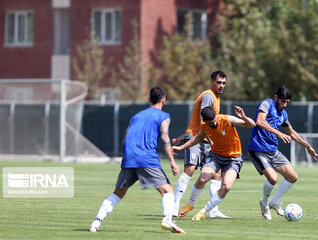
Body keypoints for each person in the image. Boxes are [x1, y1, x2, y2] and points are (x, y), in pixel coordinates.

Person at [89, 87, 185, 233]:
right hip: (146, 158)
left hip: (130, 158)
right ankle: (167, 220)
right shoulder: (164, 116)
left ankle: (96, 222)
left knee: (118, 193)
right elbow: (165, 138)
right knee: (167, 191)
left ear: (149, 99)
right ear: (164, 100)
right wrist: (172, 161)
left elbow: (124, 140)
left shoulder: (137, 116)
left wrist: (126, 159)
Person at [247, 86, 318, 220]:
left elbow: (292, 133)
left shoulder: (283, 114)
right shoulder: (267, 103)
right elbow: (260, 121)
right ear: (276, 98)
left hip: (273, 151)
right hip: (257, 149)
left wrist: (307, 146)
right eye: (282, 101)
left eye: (287, 102)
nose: (284, 105)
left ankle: (274, 202)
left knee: (292, 177)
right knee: (273, 179)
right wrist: (279, 133)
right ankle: (264, 204)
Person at [172, 106, 255, 221]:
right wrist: (181, 147)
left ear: (216, 115)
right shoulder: (204, 126)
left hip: (234, 158)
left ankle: (203, 212)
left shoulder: (227, 119)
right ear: (205, 121)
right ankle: (190, 204)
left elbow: (252, 125)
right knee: (202, 179)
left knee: (226, 187)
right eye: (211, 123)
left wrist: (244, 117)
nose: (214, 123)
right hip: (215, 156)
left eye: (215, 120)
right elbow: (196, 139)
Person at [172, 70, 230, 218]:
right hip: (198, 139)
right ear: (212, 83)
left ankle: (214, 211)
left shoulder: (216, 98)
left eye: (223, 83)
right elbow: (202, 122)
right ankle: (175, 207)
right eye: (218, 82)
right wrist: (213, 142)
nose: (221, 85)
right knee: (190, 169)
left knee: (216, 174)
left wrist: (182, 136)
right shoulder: (208, 96)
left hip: (202, 138)